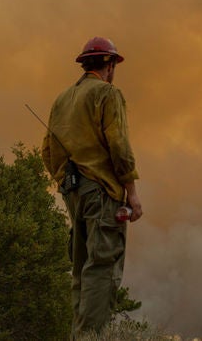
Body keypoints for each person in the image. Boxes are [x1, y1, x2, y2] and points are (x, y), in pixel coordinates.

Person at [42, 36, 143, 338]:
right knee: (102, 267)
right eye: (114, 64)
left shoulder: (61, 99)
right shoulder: (107, 94)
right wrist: (132, 194)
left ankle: (79, 335)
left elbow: (47, 151)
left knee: (80, 269)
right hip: (102, 193)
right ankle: (92, 337)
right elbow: (120, 147)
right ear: (109, 64)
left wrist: (64, 182)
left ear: (85, 64)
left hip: (73, 193)